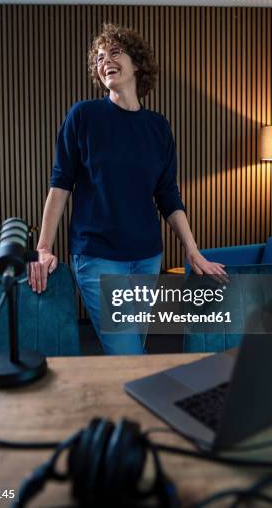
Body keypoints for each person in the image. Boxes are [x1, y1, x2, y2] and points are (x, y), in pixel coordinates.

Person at [29, 23, 227, 354]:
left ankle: (127, 400)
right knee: (127, 351)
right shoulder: (84, 116)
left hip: (148, 255)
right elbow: (60, 184)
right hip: (98, 255)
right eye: (100, 57)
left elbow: (168, 194)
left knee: (133, 347)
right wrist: (44, 247)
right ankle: (138, 401)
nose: (106, 60)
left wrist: (192, 250)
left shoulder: (158, 126)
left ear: (137, 64)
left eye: (115, 53)